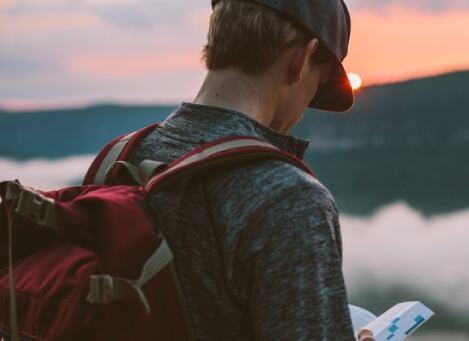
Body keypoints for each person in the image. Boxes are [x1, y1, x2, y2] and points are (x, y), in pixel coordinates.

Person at [126, 0, 371, 339]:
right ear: (302, 58)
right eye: (317, 84)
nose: (302, 111)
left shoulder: (123, 156)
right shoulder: (288, 197)